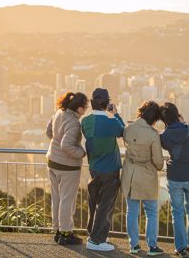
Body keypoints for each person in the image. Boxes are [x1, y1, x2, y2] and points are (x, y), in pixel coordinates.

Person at [81, 88, 125, 252]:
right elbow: (123, 132)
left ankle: (93, 234)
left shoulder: (85, 121)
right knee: (106, 205)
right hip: (110, 170)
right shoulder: (110, 121)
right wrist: (115, 114)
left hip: (94, 168)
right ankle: (96, 240)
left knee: (95, 203)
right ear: (107, 103)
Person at [121, 101, 164, 256]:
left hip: (129, 174)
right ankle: (152, 246)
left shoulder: (128, 128)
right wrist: (158, 166)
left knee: (131, 211)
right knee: (151, 211)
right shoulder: (153, 135)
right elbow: (158, 162)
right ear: (154, 118)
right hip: (146, 175)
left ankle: (134, 245)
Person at [46, 91, 88, 245]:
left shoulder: (59, 113)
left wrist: (56, 146)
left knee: (57, 198)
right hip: (67, 167)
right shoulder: (74, 123)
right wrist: (81, 153)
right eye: (85, 107)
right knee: (67, 200)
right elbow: (67, 146)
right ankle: (65, 233)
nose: (86, 110)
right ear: (78, 108)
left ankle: (57, 230)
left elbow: (49, 132)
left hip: (52, 161)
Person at [159, 102, 189, 258]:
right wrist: (183, 123)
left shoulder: (164, 136)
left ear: (164, 120)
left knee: (177, 213)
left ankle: (181, 248)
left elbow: (166, 144)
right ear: (177, 114)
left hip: (175, 177)